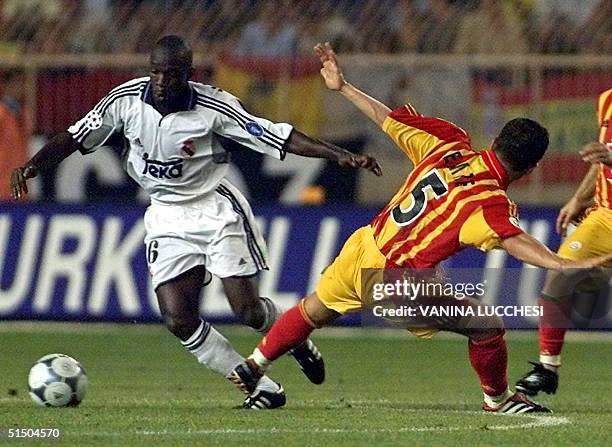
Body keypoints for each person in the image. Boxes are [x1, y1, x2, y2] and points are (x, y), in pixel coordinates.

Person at [228, 43, 612, 414]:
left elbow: (385, 118)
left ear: (494, 142)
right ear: (530, 171)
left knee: (313, 309)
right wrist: (564, 266)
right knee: (487, 326)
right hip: (399, 283)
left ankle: (256, 362)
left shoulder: (447, 142)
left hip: (365, 243)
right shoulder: (491, 203)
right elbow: (518, 244)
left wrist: (343, 87)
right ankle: (498, 399)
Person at [10, 36, 382, 409]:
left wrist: (339, 155)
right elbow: (74, 137)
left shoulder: (215, 107)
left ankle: (295, 339)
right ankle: (261, 387)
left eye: (170, 74)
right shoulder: (123, 101)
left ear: (187, 75)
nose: (160, 81)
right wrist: (32, 166)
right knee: (177, 318)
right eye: (155, 72)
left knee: (248, 312)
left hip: (215, 209)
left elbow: (276, 135)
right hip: (165, 215)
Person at [515, 88, 612, 396]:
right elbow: (601, 161)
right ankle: (547, 369)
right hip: (605, 217)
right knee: (562, 273)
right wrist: (578, 198)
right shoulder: (607, 100)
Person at [0, 69, 31, 201]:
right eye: (15, 84)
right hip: (2, 189)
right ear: (5, 86)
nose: (19, 88)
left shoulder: (24, 113)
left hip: (21, 190)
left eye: (21, 83)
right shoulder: (1, 115)